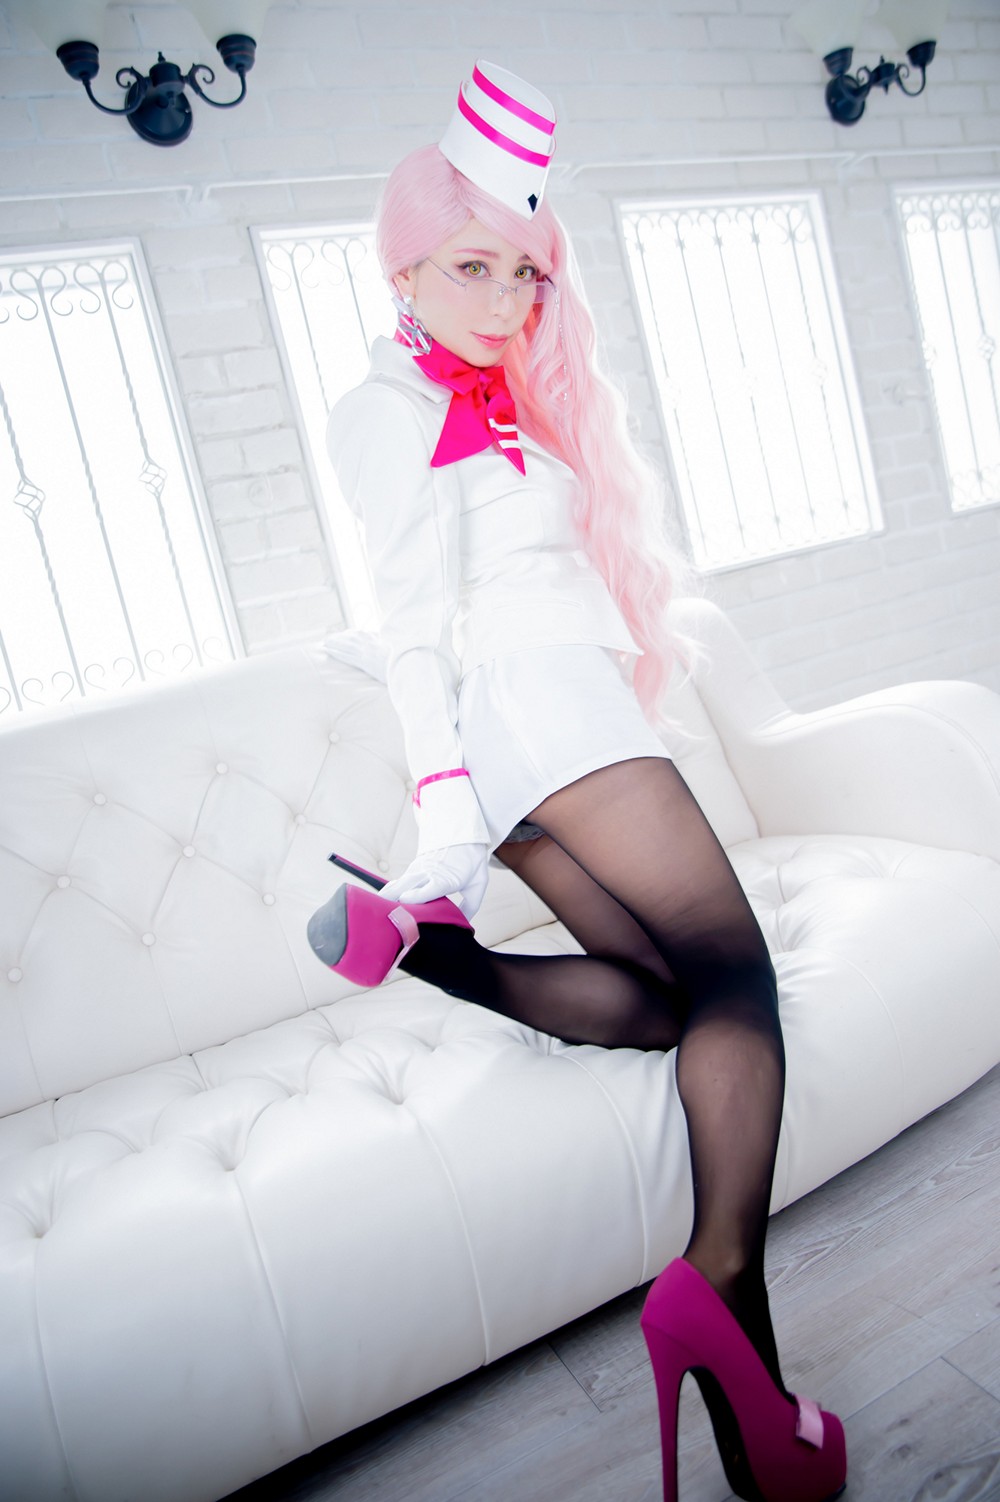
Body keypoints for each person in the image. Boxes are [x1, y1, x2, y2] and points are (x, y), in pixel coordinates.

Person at [308, 60, 847, 1502]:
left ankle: (441, 958)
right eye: (469, 268)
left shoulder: (487, 395)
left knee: (674, 1005)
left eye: (523, 272)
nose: (504, 299)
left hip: (544, 721)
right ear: (403, 268)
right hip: (542, 707)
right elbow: (408, 618)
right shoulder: (384, 407)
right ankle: (723, 1291)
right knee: (741, 981)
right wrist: (445, 806)